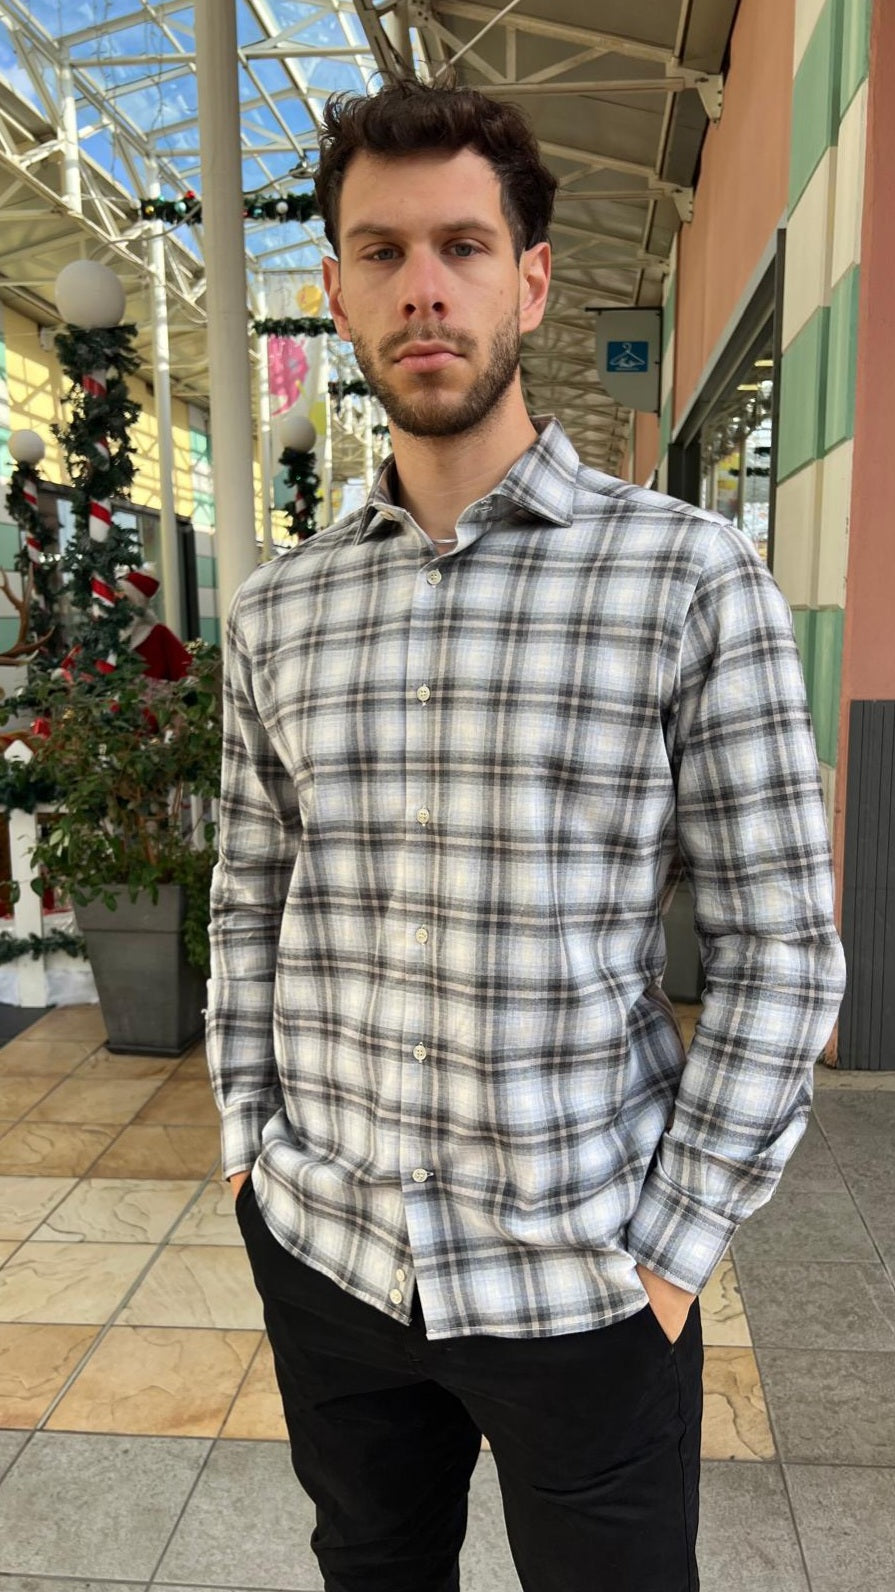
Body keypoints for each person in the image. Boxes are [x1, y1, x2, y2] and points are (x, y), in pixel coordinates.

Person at [206, 77, 846, 1592]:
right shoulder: (279, 612)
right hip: (333, 1255)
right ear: (338, 293)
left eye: (463, 246)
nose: (423, 288)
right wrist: (249, 1157)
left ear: (532, 280)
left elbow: (782, 952)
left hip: (585, 1284)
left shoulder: (689, 579)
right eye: (381, 252)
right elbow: (249, 895)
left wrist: (671, 1253)